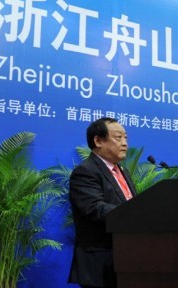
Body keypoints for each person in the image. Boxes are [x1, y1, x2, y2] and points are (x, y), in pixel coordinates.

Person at [68, 117, 136, 288]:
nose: (125, 143)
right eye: (118, 137)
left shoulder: (123, 171)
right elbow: (95, 208)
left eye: (126, 138)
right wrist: (136, 214)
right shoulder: (85, 171)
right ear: (98, 141)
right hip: (100, 263)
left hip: (126, 259)